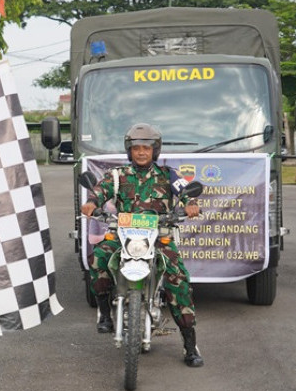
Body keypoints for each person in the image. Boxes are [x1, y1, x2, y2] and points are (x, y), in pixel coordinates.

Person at [80, 123, 204, 367]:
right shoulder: (118, 176)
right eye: (136, 148)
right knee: (98, 259)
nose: (141, 153)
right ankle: (104, 312)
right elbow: (99, 190)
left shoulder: (168, 175)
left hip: (159, 235)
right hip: (123, 234)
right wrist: (91, 202)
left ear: (154, 150)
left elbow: (186, 192)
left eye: (146, 148)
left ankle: (190, 344)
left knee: (178, 280)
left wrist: (191, 204)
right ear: (129, 150)